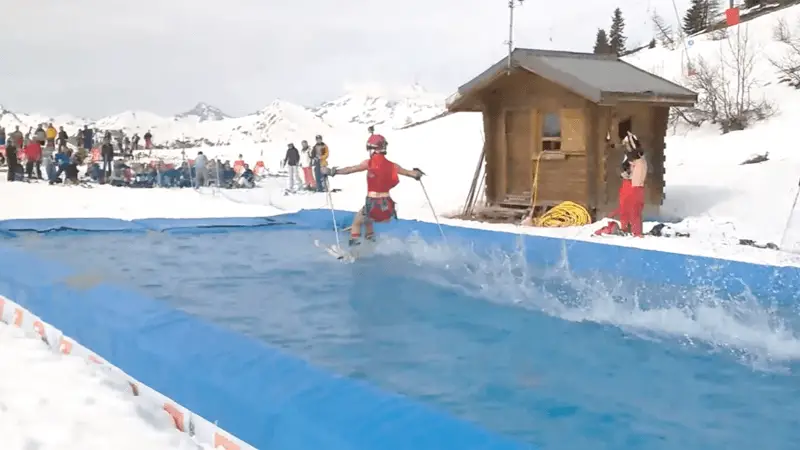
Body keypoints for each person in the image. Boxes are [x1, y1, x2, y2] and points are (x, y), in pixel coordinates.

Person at [323, 133, 423, 246]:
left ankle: (354, 247)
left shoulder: (369, 163)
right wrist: (416, 174)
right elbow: (409, 173)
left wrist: (334, 171)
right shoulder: (393, 165)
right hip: (387, 206)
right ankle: (370, 240)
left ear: (372, 148)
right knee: (367, 221)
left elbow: (351, 169)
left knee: (357, 222)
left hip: (373, 204)